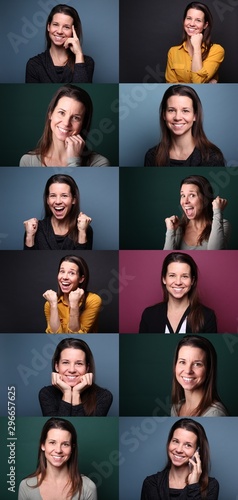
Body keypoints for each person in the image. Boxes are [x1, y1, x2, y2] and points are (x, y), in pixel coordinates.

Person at [19, 84, 110, 167]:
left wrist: (74, 160)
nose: (66, 123)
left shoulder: (99, 164)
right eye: (62, 113)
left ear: (83, 123)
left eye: (76, 118)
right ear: (50, 114)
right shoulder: (28, 161)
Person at [144, 85, 225, 166]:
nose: (177, 117)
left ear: (195, 116)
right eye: (171, 110)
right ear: (164, 115)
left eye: (185, 111)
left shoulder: (212, 157)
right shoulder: (152, 156)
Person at [18, 417, 97, 500]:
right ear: (43, 445)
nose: (58, 450)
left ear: (72, 448)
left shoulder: (88, 487)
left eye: (65, 444)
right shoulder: (26, 486)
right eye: (52, 442)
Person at [139, 252, 217, 334]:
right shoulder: (149, 315)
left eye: (184, 276)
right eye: (172, 275)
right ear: (164, 279)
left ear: (192, 280)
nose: (178, 282)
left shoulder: (207, 316)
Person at [141, 418, 219, 499]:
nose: (178, 450)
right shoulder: (151, 483)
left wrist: (193, 486)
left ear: (197, 451)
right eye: (175, 441)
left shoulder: (211, 486)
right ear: (169, 443)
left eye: (188, 445)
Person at [39, 337, 113, 416]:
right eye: (65, 362)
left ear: (87, 368)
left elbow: (83, 425)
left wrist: (76, 394)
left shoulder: (104, 397)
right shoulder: (46, 394)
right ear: (57, 366)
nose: (72, 370)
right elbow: (59, 424)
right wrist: (67, 393)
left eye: (79, 363)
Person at [25, 4, 94, 83]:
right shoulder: (34, 64)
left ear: (73, 31)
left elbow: (80, 90)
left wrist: (78, 54)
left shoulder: (87, 62)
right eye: (55, 25)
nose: (59, 31)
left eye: (66, 27)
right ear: (48, 26)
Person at [23, 174, 93, 250]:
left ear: (73, 200)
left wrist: (82, 232)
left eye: (64, 196)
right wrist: (30, 236)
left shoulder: (85, 228)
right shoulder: (34, 229)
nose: (58, 201)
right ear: (47, 200)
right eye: (53, 196)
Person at [164, 175, 230, 250]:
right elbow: (167, 258)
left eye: (192, 195)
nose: (185, 201)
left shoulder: (222, 224)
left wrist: (217, 211)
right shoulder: (178, 229)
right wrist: (170, 231)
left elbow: (215, 253)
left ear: (205, 199)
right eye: (183, 195)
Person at [165, 2, 224, 84]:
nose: (192, 24)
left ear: (205, 25)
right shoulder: (173, 52)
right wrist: (207, 83)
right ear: (184, 20)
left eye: (198, 20)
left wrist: (196, 47)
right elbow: (171, 86)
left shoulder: (216, 50)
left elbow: (198, 82)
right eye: (189, 18)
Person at [171, 335, 228, 416]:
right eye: (182, 362)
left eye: (197, 364)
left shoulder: (215, 414)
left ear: (208, 370)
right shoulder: (176, 408)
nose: (188, 371)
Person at [43, 255, 102, 333]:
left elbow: (76, 335)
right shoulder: (49, 303)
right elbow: (54, 336)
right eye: (62, 271)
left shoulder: (93, 300)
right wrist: (53, 305)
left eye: (71, 273)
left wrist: (74, 305)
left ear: (81, 279)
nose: (65, 277)